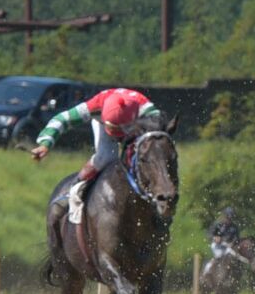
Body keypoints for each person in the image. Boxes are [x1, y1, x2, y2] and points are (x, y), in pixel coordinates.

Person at [29, 87, 164, 223]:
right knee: (106, 157)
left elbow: (161, 131)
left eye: (120, 132)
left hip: (135, 126)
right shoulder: (94, 105)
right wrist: (45, 143)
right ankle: (76, 188)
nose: (117, 138)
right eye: (114, 130)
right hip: (108, 122)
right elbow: (61, 119)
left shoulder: (146, 109)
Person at [205, 207, 249, 274]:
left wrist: (232, 243)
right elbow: (209, 235)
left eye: (230, 218)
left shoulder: (234, 227)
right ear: (224, 216)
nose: (228, 220)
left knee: (236, 257)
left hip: (228, 247)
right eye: (227, 217)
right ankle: (207, 269)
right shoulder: (217, 225)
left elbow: (237, 239)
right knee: (219, 255)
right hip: (217, 246)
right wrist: (215, 238)